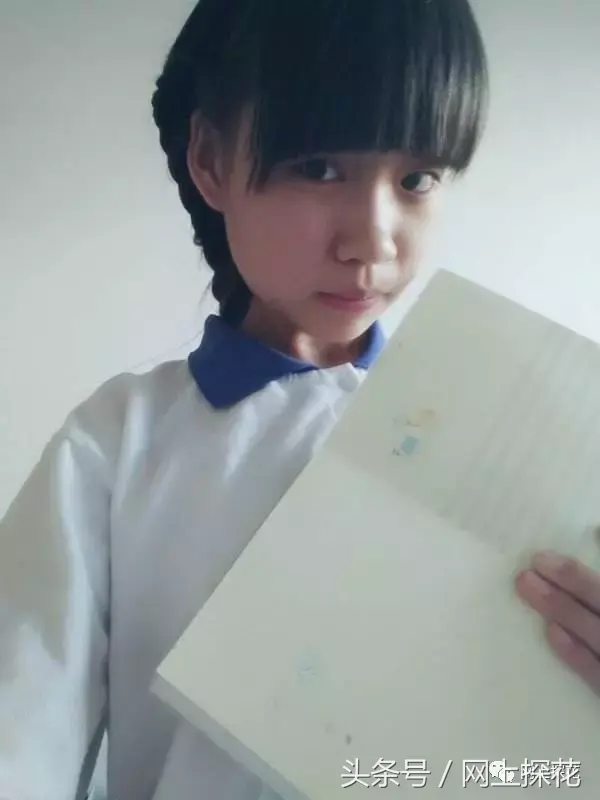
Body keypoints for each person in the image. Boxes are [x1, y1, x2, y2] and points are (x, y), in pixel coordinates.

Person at [1, 1, 598, 798]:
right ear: (210, 160)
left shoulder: (514, 443)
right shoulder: (116, 442)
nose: (373, 240)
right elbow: (20, 729)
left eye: (417, 179)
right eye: (318, 168)